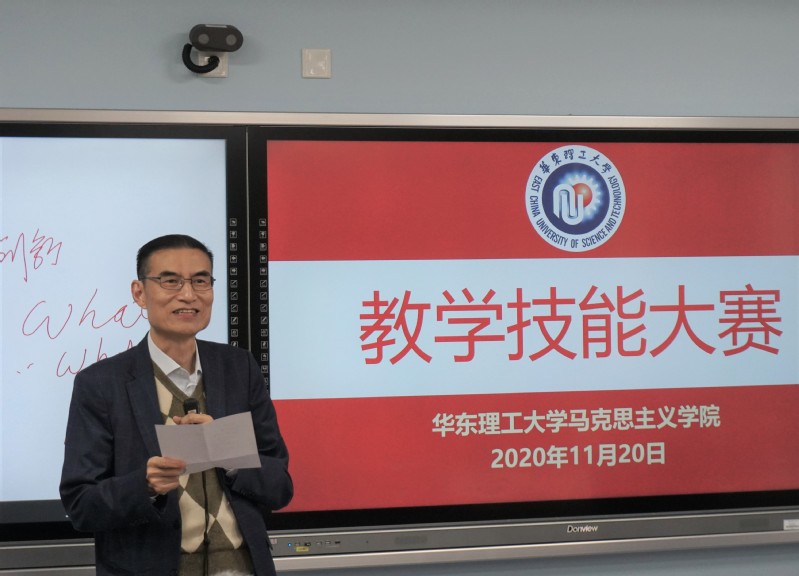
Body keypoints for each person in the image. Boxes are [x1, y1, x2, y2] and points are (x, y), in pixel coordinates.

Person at [60, 234, 293, 576]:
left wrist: (227, 453)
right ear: (139, 293)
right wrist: (145, 485)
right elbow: (81, 505)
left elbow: (280, 486)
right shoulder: (101, 384)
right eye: (170, 281)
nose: (188, 294)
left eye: (200, 280)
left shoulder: (238, 368)